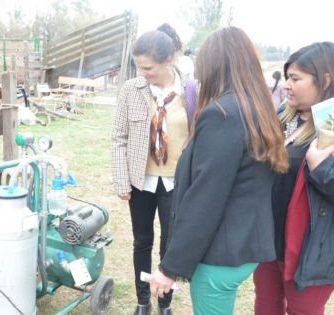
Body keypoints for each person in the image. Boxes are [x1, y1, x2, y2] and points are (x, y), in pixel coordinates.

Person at [146, 26, 288, 315]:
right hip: (245, 242)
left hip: (221, 254)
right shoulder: (256, 109)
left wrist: (169, 268)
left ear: (214, 67)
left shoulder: (221, 114)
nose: (198, 76)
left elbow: (205, 199)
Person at [110, 24, 197, 315]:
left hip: (177, 182)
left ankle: (165, 303)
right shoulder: (131, 90)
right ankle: (143, 301)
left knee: (169, 245)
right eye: (138, 67)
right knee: (142, 241)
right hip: (141, 181)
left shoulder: (191, 90)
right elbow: (118, 137)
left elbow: (199, 137)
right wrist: (122, 180)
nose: (142, 73)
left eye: (148, 68)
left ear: (168, 60)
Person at [253, 42, 334, 315]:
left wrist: (322, 168)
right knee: (266, 303)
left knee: (303, 311)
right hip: (269, 237)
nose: (286, 85)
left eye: (295, 78)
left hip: (311, 247)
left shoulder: (330, 126)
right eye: (286, 77)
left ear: (325, 80)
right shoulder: (284, 117)